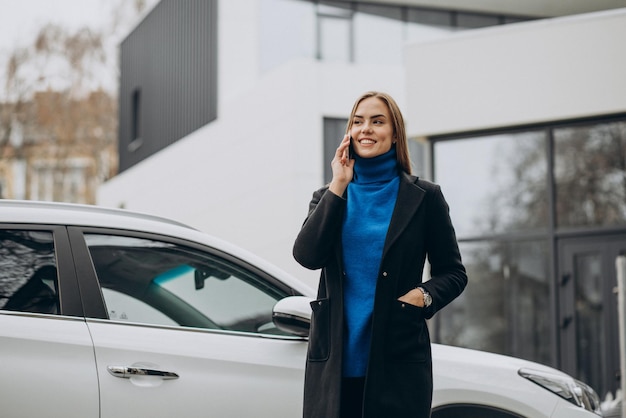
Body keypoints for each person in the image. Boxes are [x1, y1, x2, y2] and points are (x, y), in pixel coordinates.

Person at [293, 91, 468, 418]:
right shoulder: (328, 195)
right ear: (349, 132)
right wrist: (338, 186)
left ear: (395, 134)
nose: (366, 129)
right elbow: (307, 255)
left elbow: (454, 273)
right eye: (358, 122)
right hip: (334, 364)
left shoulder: (424, 197)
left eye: (377, 121)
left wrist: (422, 295)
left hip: (397, 359)